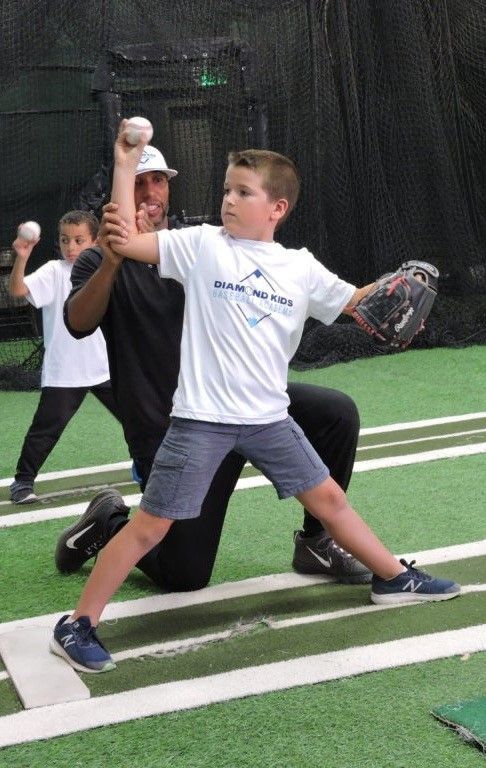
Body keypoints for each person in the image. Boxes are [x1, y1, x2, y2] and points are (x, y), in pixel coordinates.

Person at [50, 125, 460, 673]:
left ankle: (394, 576)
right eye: (226, 189)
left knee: (330, 501)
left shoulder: (300, 266)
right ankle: (77, 624)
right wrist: (124, 164)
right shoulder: (199, 247)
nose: (229, 199)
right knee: (151, 525)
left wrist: (391, 294)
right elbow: (122, 242)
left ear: (277, 208)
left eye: (243, 192)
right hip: (201, 422)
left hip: (269, 418)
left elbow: (356, 304)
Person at [56, 144, 370, 590]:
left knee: (335, 413)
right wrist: (114, 258)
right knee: (185, 575)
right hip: (174, 426)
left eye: (158, 180)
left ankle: (317, 542)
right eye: (139, 181)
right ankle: (109, 521)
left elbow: (287, 278)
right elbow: (77, 323)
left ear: (169, 187)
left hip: (245, 408)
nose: (150, 191)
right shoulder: (102, 257)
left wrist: (382, 292)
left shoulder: (203, 242)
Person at [8, 210, 120, 504]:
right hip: (64, 372)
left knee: (140, 418)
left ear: (95, 241)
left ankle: (151, 467)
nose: (71, 247)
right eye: (65, 240)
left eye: (79, 240)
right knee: (45, 430)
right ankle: (22, 483)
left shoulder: (106, 267)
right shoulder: (54, 271)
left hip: (106, 368)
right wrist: (22, 255)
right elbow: (18, 289)